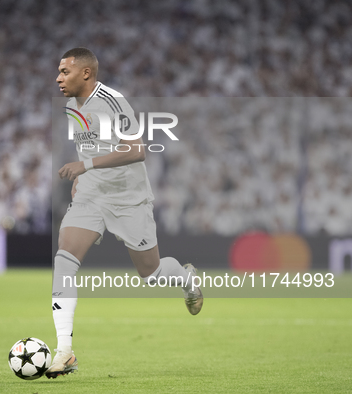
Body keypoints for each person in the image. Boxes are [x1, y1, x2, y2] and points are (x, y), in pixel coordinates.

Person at [46, 48, 203, 379]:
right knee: (64, 258)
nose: (58, 78)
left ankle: (186, 278)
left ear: (86, 74)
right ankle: (65, 351)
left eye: (64, 72)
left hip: (129, 198)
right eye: (58, 72)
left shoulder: (113, 102)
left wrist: (84, 166)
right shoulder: (71, 106)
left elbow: (136, 150)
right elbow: (87, 144)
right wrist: (84, 177)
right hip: (91, 196)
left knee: (151, 272)